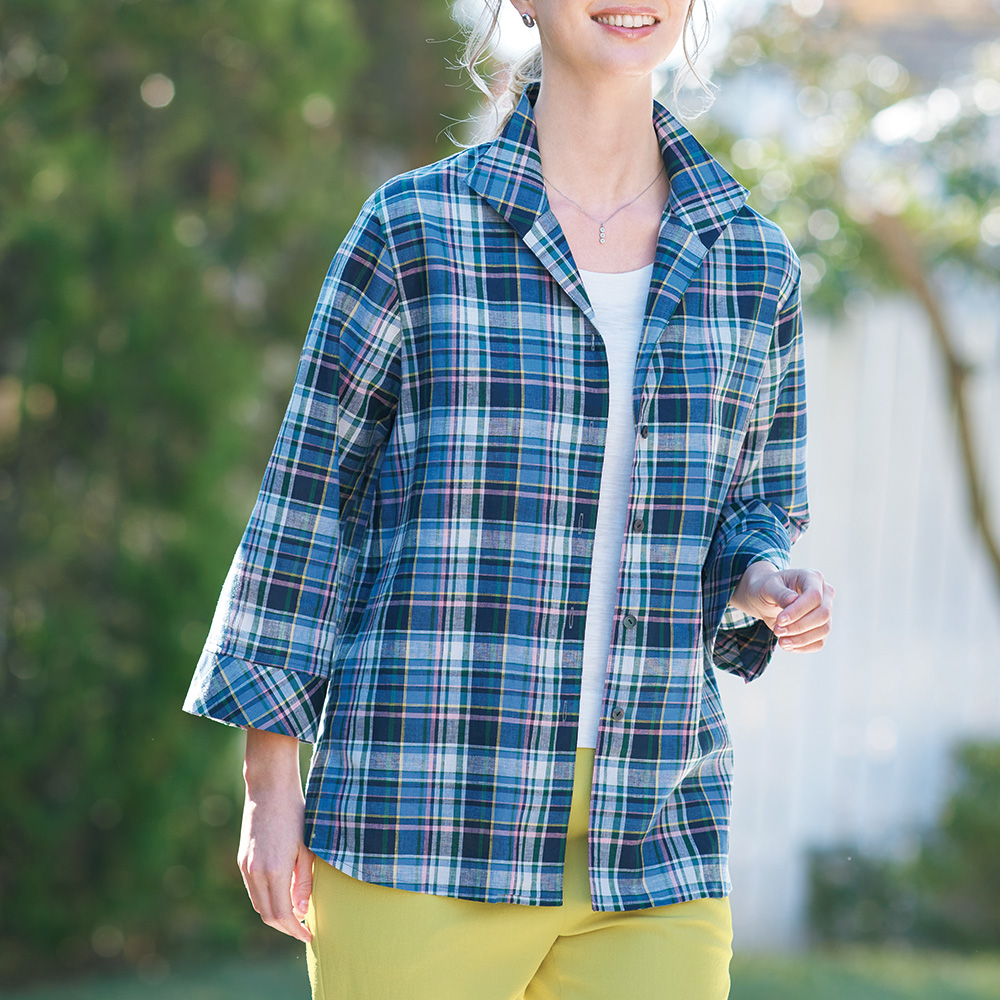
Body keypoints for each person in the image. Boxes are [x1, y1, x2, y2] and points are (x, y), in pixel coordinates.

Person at [183, 1, 835, 997]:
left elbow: (752, 505)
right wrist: (270, 780)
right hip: (423, 817)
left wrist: (761, 578)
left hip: (652, 838)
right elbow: (309, 507)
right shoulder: (415, 229)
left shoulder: (754, 262)